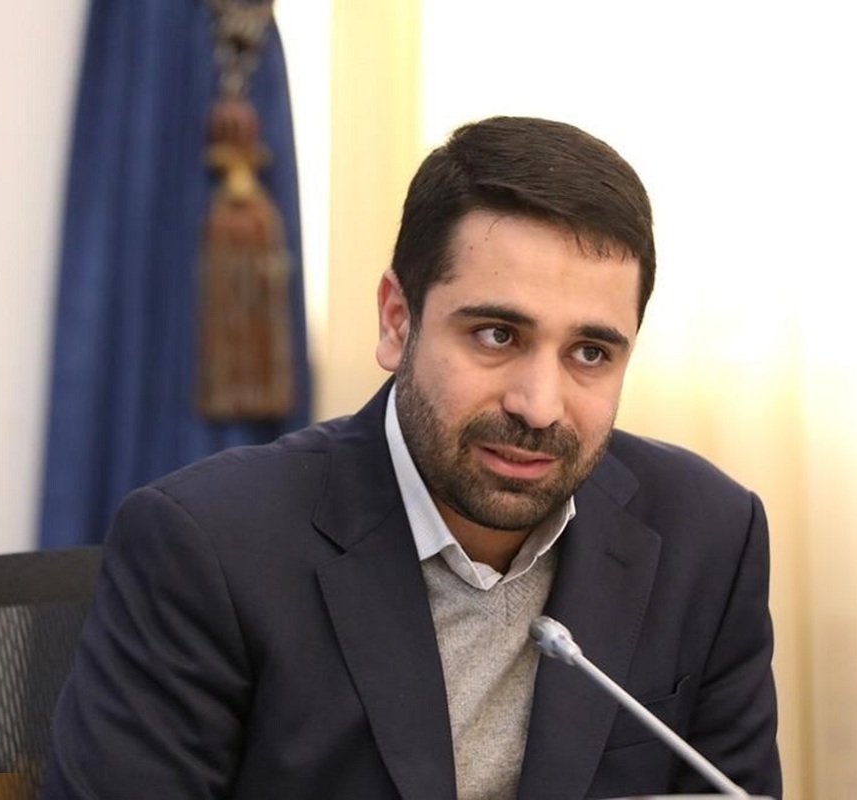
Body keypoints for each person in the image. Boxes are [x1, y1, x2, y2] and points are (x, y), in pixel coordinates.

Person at [42, 116, 781, 799]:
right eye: (497, 335)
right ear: (398, 322)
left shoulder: (708, 536)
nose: (539, 406)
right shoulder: (207, 546)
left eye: (590, 352)